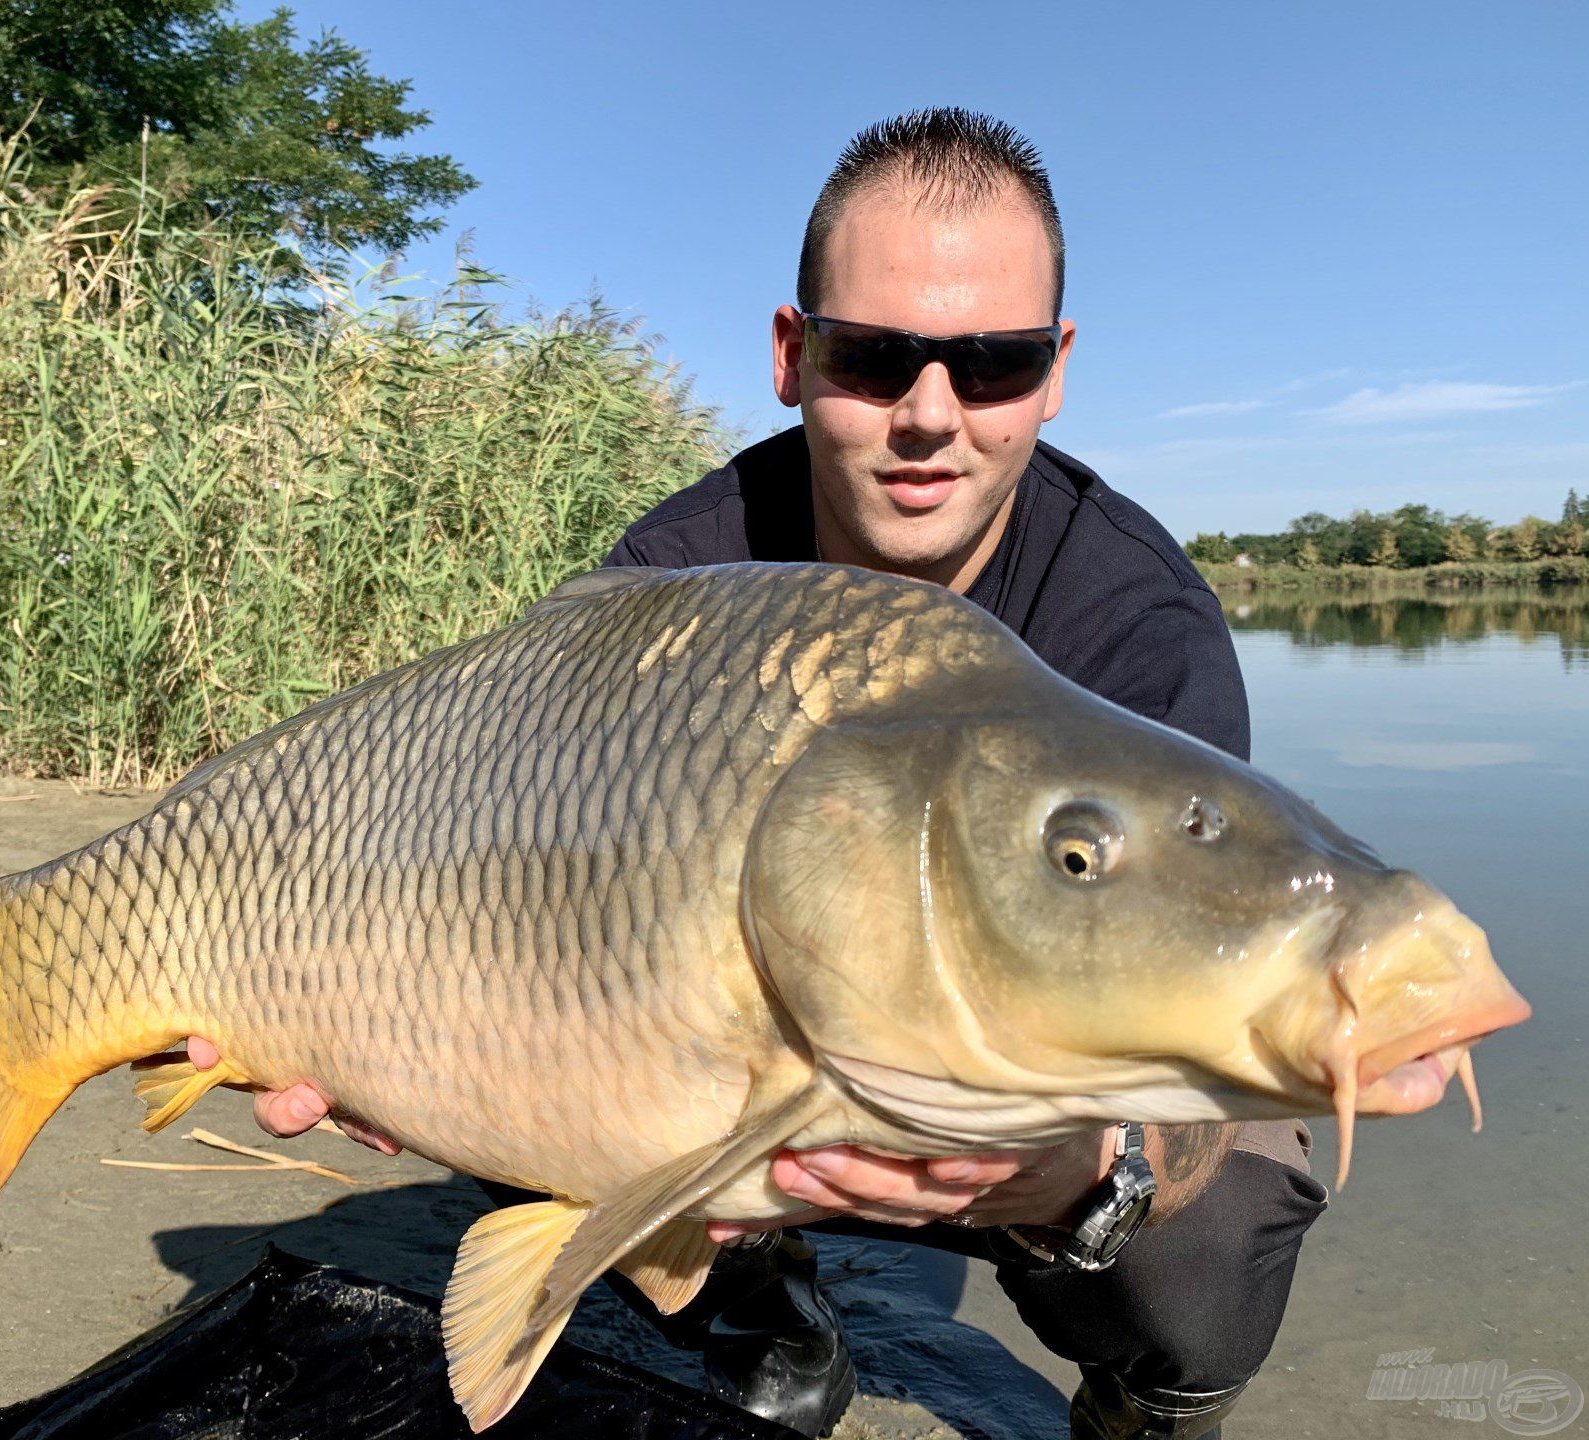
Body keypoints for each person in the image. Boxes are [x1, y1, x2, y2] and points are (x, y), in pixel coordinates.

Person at [186, 108, 1329, 1440]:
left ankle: (1141, 1395)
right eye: (874, 357)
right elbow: (502, 865)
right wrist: (389, 1034)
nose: (930, 416)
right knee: (543, 1021)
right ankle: (753, 1293)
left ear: (1056, 370)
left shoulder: (1133, 627)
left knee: (1222, 1226)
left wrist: (1091, 1171)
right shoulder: (680, 577)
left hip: (1015, 1102)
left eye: (993, 364)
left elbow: (1206, 1007)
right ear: (794, 356)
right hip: (723, 1054)